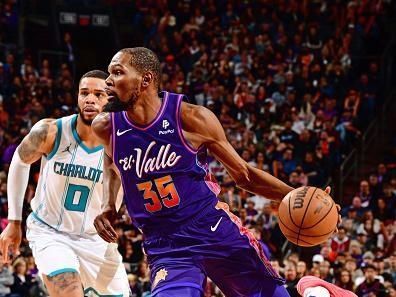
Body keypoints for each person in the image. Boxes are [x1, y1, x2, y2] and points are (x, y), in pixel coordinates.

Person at [92, 47, 337, 297]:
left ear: (146, 79)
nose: (108, 81)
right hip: (166, 246)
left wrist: (300, 195)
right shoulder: (106, 127)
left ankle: (315, 290)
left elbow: (245, 176)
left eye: (117, 72)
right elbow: (111, 164)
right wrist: (108, 206)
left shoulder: (191, 118)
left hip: (213, 229)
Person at [0, 70, 130, 297]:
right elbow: (20, 161)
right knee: (68, 291)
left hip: (96, 241)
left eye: (99, 94)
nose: (90, 99)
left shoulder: (124, 145)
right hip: (51, 233)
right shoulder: (50, 131)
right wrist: (14, 221)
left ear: (112, 100)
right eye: (84, 93)